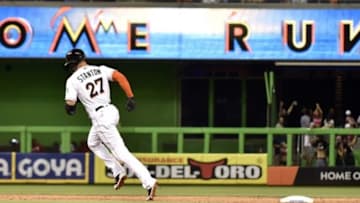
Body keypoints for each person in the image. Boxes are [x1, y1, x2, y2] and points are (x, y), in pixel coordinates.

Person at [63, 48, 157, 201]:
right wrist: (130, 97)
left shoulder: (72, 80)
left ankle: (149, 182)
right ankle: (118, 171)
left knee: (121, 152)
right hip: (112, 111)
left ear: (73, 63)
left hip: (100, 117)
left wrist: (70, 107)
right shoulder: (100, 69)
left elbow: (70, 102)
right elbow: (120, 76)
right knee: (92, 142)